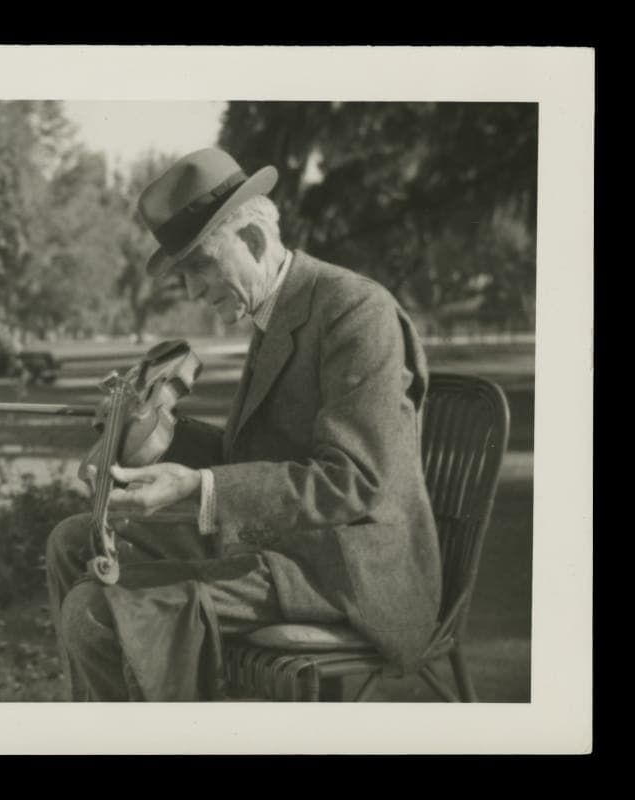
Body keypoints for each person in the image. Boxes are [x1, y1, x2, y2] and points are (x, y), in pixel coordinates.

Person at [45, 147, 442, 701]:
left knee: (95, 609)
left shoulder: (356, 310)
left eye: (200, 267)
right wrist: (151, 430)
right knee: (73, 541)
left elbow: (354, 481)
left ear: (253, 241)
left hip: (349, 568)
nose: (191, 292)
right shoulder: (276, 309)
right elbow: (252, 452)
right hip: (289, 544)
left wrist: (200, 488)